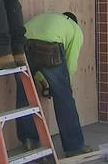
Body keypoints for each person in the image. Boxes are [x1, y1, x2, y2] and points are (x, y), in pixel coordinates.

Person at [15, 12, 91, 157]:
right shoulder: (75, 29)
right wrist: (65, 86)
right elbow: (71, 64)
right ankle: (74, 147)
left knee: (24, 92)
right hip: (49, 47)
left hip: (22, 44)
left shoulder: (49, 17)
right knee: (64, 99)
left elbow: (35, 62)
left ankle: (28, 139)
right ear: (75, 21)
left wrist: (41, 79)